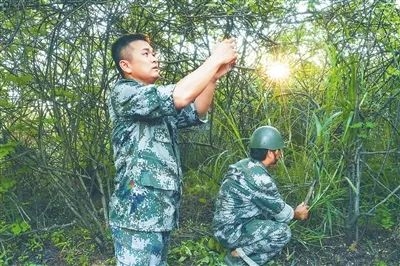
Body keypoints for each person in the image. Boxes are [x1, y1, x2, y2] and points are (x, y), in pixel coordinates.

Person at [107, 33, 237, 265]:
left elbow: (197, 111)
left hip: (159, 215)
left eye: (154, 53)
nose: (154, 58)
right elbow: (181, 95)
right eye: (146, 54)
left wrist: (213, 78)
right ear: (125, 65)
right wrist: (214, 59)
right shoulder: (124, 92)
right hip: (135, 218)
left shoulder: (158, 107)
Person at [213, 126, 310, 266]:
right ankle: (238, 257)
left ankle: (239, 250)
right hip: (231, 233)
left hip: (223, 227)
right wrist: (297, 214)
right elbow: (282, 214)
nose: (280, 155)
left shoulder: (243, 165)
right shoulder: (260, 179)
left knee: (270, 218)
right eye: (279, 151)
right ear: (270, 153)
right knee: (283, 233)